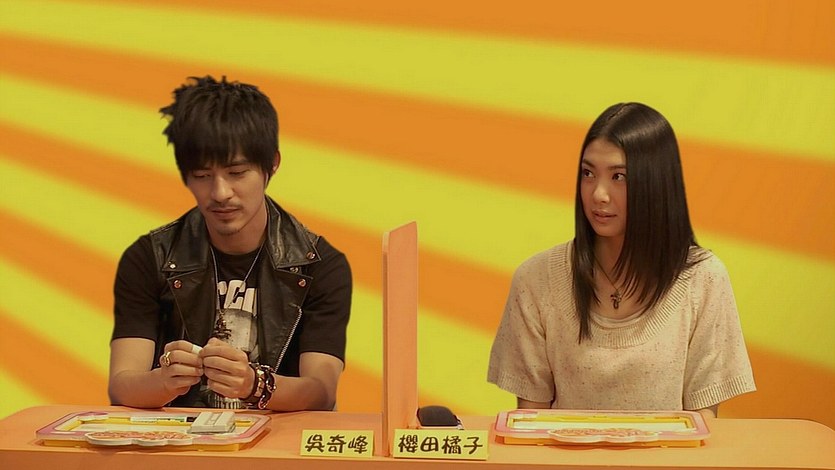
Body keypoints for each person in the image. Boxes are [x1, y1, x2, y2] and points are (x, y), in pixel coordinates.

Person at [487, 102, 755, 417]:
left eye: (619, 177)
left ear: (656, 184)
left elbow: (701, 422)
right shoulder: (536, 279)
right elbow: (530, 423)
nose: (598, 194)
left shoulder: (703, 279)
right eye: (588, 174)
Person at [108, 75, 352, 411]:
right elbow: (123, 387)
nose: (220, 193)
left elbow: (321, 392)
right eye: (203, 176)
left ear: (272, 165)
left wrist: (255, 385)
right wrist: (163, 382)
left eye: (236, 173)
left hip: (277, 440)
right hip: (182, 438)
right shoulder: (150, 257)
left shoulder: (317, 264)